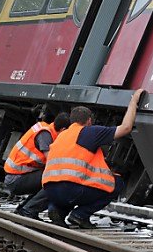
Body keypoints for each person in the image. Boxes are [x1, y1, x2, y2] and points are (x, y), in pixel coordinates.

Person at [41, 89, 145, 229]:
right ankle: (80, 215)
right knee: (116, 183)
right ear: (89, 120)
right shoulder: (90, 131)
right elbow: (125, 128)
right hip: (70, 190)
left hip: (49, 190)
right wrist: (133, 102)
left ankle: (57, 209)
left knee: (74, 184)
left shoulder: (62, 136)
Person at [4, 111, 70, 218]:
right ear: (63, 130)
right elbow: (52, 162)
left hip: (18, 176)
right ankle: (29, 210)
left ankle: (23, 209)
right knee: (56, 179)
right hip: (16, 179)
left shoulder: (47, 129)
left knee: (52, 179)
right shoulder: (45, 135)